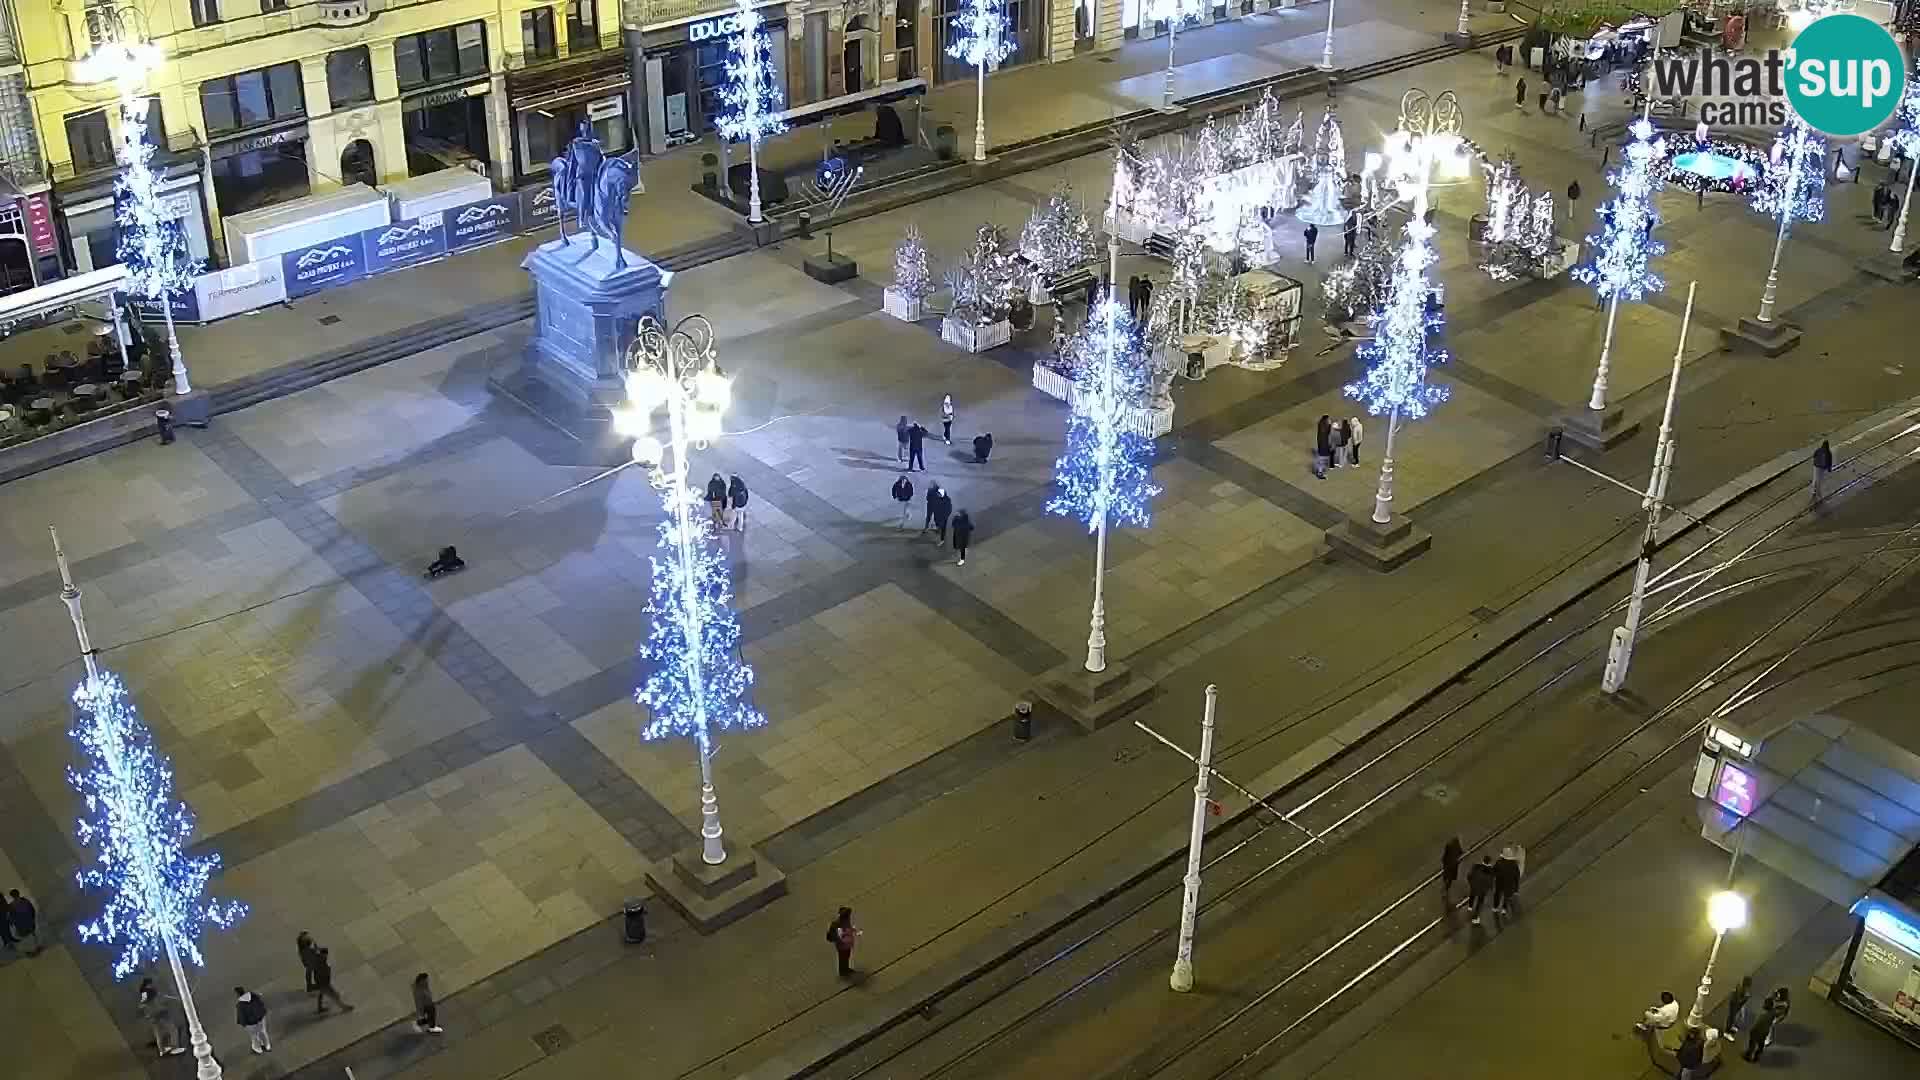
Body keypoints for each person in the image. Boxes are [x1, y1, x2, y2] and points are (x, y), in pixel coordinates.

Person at [140, 978, 187, 1056]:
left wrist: (146, 1012)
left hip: (152, 1015)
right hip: (159, 1013)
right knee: (173, 1029)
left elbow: (144, 1002)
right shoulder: (150, 991)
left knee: (158, 1032)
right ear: (149, 984)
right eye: (151, 983)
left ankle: (162, 1050)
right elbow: (154, 999)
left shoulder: (143, 992)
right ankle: (175, 1047)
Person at [311, 946, 353, 1014]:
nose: (326, 956)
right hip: (324, 983)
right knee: (335, 995)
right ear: (323, 954)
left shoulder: (319, 960)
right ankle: (344, 1007)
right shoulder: (321, 963)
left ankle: (320, 1008)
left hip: (321, 983)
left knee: (321, 994)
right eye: (325, 954)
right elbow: (321, 974)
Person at [234, 986, 271, 1054]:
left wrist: (243, 1023)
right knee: (263, 1031)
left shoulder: (240, 1004)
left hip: (250, 1022)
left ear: (237, 994)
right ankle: (267, 1045)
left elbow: (242, 1016)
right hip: (260, 1017)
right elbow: (261, 1003)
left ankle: (258, 1048)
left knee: (254, 1035)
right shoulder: (253, 995)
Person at [1744, 991, 1778, 1060]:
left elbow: (1757, 1025)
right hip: (1765, 1031)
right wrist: (1773, 996)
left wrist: (1752, 1030)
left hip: (1758, 1031)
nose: (1763, 1005)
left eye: (1765, 1004)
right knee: (1761, 1043)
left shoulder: (1764, 1016)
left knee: (1752, 1043)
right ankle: (1758, 1054)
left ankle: (1748, 1056)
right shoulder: (1773, 1012)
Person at [828, 906, 861, 977]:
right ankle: (842, 971)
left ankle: (846, 968)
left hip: (846, 944)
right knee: (842, 958)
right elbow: (835, 935)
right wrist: (841, 940)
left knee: (846, 956)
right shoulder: (836, 924)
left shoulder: (845, 921)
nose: (849, 917)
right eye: (848, 915)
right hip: (842, 945)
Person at [1493, 844, 1522, 916]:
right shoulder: (1514, 865)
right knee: (1507, 896)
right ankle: (1504, 909)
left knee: (1497, 894)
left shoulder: (1499, 862)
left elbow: (1494, 871)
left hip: (1499, 882)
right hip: (1509, 884)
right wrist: (1516, 889)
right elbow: (1517, 876)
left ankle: (1495, 907)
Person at [1467, 855, 1495, 925]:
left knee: (1472, 895)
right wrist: (1489, 889)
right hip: (1482, 891)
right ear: (1489, 862)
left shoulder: (1476, 866)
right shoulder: (1490, 871)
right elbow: (1490, 882)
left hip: (1474, 887)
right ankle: (1475, 918)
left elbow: (1469, 875)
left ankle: (1470, 906)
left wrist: (1471, 883)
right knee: (1479, 903)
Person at [8, 889, 38, 955]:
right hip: (29, 922)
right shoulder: (25, 901)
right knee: (32, 934)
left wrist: (11, 923)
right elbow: (32, 910)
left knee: (26, 937)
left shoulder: (11, 906)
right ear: (18, 893)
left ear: (12, 896)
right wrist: (32, 919)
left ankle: (30, 950)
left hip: (21, 925)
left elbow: (12, 917)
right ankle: (36, 947)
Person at [1724, 974, 1753, 1040]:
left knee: (1733, 1018)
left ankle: (1730, 1027)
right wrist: (1746, 997)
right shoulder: (1741, 989)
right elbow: (1738, 1000)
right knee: (1731, 1018)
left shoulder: (1742, 988)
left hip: (1736, 1005)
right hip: (1734, 1005)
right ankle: (1726, 1032)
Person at [1811, 438, 1834, 503]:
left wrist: (1815, 461)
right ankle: (1819, 493)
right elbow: (1829, 461)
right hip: (1822, 468)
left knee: (1815, 479)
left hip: (1816, 466)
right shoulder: (1828, 452)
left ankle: (1813, 491)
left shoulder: (1819, 450)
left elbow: (1814, 455)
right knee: (1820, 480)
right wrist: (1829, 469)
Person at [1313, 415, 1332, 480]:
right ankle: (1320, 473)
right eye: (1328, 420)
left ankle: (1320, 471)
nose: (1330, 421)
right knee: (1322, 460)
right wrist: (1329, 425)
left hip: (1322, 446)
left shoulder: (1322, 425)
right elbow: (1327, 434)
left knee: (1322, 459)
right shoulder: (1324, 428)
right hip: (1323, 447)